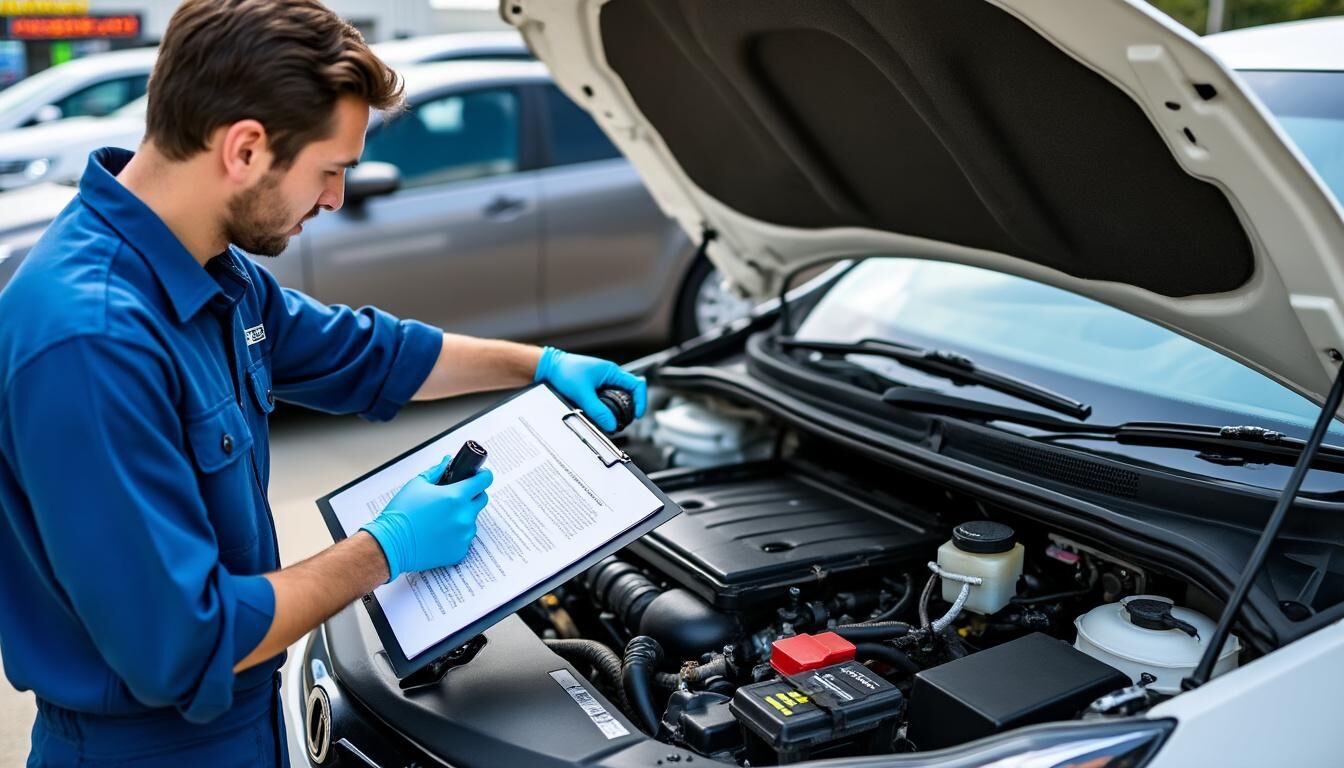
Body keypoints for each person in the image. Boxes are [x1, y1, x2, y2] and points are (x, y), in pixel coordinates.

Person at [0, 1, 647, 765]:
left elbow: (369, 353)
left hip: (241, 724)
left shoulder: (212, 269)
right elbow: (184, 642)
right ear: (244, 149)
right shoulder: (91, 342)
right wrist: (387, 548)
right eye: (329, 171)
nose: (336, 199)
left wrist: (536, 365)